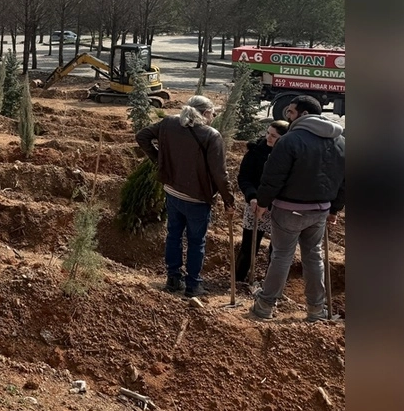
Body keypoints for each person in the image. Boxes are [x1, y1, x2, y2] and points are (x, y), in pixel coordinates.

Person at [252, 96, 345, 322]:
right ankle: (316, 310)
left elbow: (272, 177)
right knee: (313, 257)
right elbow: (344, 180)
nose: (288, 116)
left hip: (289, 209)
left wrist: (262, 203)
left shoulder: (291, 140)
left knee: (282, 255)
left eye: (291, 112)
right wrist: (335, 209)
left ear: (304, 114)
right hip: (320, 211)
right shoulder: (341, 141)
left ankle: (265, 305)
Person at [135, 95, 235, 298]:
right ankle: (193, 285)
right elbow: (219, 174)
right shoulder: (211, 135)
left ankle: (173, 279)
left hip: (172, 191)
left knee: (174, 235)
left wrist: (159, 161)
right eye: (213, 113)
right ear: (206, 113)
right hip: (197, 199)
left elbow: (142, 136)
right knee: (196, 242)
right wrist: (228, 200)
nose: (214, 116)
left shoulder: (170, 123)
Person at [234, 120, 289, 284]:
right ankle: (239, 280)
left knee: (277, 250)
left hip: (279, 208)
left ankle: (271, 284)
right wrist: (252, 197)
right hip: (255, 205)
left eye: (274, 136)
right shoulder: (255, 152)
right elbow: (244, 178)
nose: (268, 138)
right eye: (268, 133)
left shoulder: (289, 156)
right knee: (248, 246)